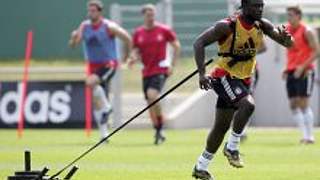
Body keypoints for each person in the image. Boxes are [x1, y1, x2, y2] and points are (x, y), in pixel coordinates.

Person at [191, 0, 293, 179]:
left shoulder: (263, 25)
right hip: (224, 76)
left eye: (261, 5)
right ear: (244, 6)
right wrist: (201, 73)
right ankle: (232, 147)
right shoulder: (227, 26)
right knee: (248, 105)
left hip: (243, 79)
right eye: (255, 6)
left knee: (220, 127)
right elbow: (198, 43)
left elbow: (287, 44)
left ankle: (201, 167)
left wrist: (287, 38)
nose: (259, 9)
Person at [69, 0, 132, 140]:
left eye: (93, 10)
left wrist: (126, 56)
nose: (90, 13)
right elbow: (74, 44)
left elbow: (127, 38)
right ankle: (104, 134)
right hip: (93, 66)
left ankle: (108, 108)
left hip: (108, 64)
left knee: (90, 83)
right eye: (89, 10)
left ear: (99, 12)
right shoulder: (84, 26)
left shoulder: (109, 26)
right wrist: (73, 38)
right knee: (96, 99)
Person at [128, 4, 181, 145]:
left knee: (153, 95)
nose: (151, 16)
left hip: (160, 69)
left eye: (152, 13)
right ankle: (158, 129)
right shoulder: (138, 33)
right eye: (148, 14)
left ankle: (160, 128)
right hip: (146, 71)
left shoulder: (163, 30)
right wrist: (132, 57)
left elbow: (176, 45)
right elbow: (135, 50)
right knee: (150, 102)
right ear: (143, 15)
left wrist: (172, 65)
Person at [284, 6, 320, 144]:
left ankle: (310, 136)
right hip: (291, 70)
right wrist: (286, 68)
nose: (289, 18)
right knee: (293, 103)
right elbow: (291, 52)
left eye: (291, 15)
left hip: (305, 71)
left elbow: (316, 52)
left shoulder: (307, 31)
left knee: (303, 103)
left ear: (299, 16)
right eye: (287, 15)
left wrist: (302, 67)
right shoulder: (287, 30)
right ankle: (303, 135)